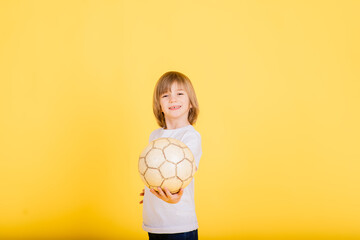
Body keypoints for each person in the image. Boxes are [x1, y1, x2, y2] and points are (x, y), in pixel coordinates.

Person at [139, 71, 202, 240]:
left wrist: (173, 197)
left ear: (191, 104)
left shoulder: (190, 137)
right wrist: (151, 188)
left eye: (180, 94)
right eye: (165, 95)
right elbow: (158, 171)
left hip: (179, 223)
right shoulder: (155, 136)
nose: (173, 99)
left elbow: (183, 174)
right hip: (154, 223)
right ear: (159, 105)